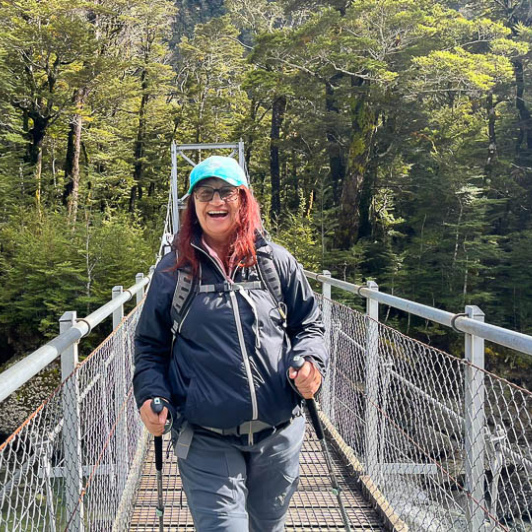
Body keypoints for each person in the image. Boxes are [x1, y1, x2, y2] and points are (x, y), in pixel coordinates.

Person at [133, 155, 328, 531]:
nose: (216, 201)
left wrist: (310, 361)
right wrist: (149, 394)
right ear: (192, 205)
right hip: (206, 439)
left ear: (244, 200)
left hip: (278, 434)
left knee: (269, 526)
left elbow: (310, 324)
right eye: (204, 193)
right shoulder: (174, 271)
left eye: (226, 192)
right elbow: (149, 347)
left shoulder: (276, 263)